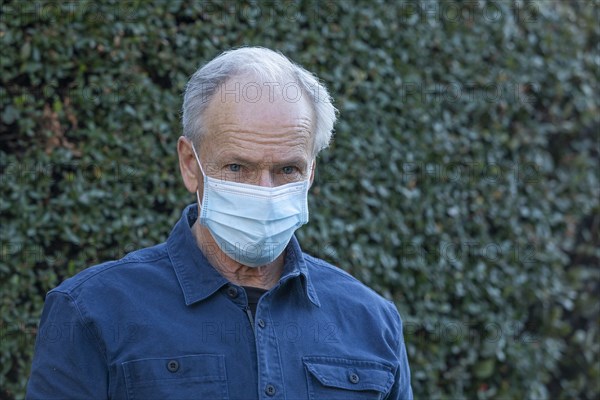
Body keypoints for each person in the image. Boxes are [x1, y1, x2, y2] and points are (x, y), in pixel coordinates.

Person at [26, 46, 413, 399]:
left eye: (287, 169)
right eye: (236, 167)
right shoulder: (93, 312)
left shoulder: (371, 321)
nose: (264, 189)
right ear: (190, 165)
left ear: (310, 174)